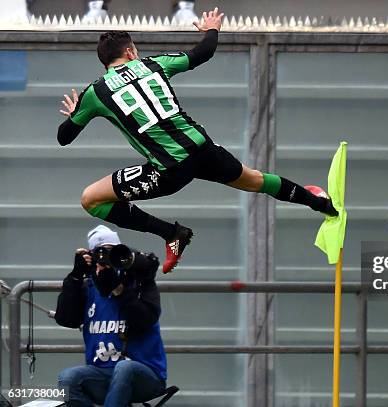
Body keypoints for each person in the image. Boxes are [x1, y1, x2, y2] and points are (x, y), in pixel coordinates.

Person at [56, 7, 337, 274]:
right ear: (130, 51)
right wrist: (212, 29)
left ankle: (171, 234)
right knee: (255, 180)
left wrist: (75, 115)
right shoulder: (153, 64)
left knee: (91, 199)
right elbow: (203, 52)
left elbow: (64, 138)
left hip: (169, 170)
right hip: (204, 149)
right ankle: (316, 201)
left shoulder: (96, 93)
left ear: (105, 61)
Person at [55, 225, 167, 407]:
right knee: (67, 378)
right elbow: (66, 319)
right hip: (102, 374)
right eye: (99, 254)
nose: (105, 260)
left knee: (124, 368)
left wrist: (119, 290)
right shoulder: (88, 287)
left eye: (111, 253)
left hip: (144, 375)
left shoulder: (138, 282)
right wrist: (76, 276)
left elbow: (145, 320)